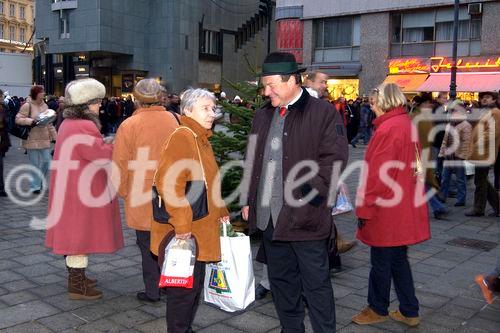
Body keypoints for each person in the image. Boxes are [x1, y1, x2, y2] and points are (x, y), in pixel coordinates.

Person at [242, 52, 348, 332]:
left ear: (292, 80)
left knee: (316, 287)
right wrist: (247, 199)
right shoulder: (263, 114)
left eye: (271, 85)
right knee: (282, 285)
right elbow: (251, 159)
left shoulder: (323, 113)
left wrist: (310, 199)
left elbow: (334, 163)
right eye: (264, 86)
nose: (266, 92)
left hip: (306, 221)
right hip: (269, 221)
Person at [150, 88, 230, 333]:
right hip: (186, 232)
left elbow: (208, 180)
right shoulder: (183, 136)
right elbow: (168, 183)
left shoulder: (200, 138)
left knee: (192, 288)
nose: (212, 113)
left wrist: (221, 210)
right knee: (183, 292)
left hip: (200, 228)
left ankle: (184, 328)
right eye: (205, 108)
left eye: (213, 108)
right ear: (187, 110)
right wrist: (182, 225)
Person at [352, 83, 430, 327]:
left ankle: (377, 307)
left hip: (386, 209)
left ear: (384, 102)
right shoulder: (405, 124)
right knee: (398, 260)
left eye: (373, 101)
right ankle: (409, 309)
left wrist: (365, 208)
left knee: (381, 262)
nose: (370, 105)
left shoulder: (388, 129)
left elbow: (378, 177)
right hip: (402, 204)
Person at [45, 78, 124, 300]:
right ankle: (77, 286)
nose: (100, 105)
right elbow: (99, 155)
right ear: (86, 103)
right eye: (97, 101)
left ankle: (78, 278)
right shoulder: (84, 125)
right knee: (78, 237)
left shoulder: (70, 123)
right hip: (81, 191)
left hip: (72, 187)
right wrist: (116, 145)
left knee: (75, 235)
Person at [112, 79, 179, 303]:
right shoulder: (174, 119)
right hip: (171, 189)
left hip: (141, 192)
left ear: (136, 98)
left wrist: (122, 191)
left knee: (147, 243)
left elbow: (119, 163)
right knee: (169, 240)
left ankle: (152, 290)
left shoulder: (129, 125)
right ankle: (171, 285)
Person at [15, 85, 57, 194]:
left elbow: (49, 123)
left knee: (47, 162)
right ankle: (35, 186)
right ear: (36, 93)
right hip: (31, 138)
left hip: (44, 138)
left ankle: (38, 181)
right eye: (42, 92)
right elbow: (18, 119)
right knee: (34, 164)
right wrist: (30, 121)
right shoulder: (27, 105)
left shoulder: (45, 106)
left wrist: (55, 137)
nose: (43, 94)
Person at [465, 91, 500, 217]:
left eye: (488, 97)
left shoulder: (495, 112)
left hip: (485, 152)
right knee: (482, 180)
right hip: (481, 152)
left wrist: (477, 143)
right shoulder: (485, 112)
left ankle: (478, 209)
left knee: (480, 181)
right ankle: (497, 207)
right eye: (482, 97)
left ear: (494, 99)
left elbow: (492, 132)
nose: (484, 99)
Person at [438, 100, 472, 206]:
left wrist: (462, 156)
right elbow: (445, 140)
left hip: (458, 156)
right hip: (449, 155)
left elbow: (466, 142)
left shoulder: (465, 125)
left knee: (460, 179)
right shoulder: (450, 124)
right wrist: (442, 153)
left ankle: (461, 199)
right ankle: (442, 196)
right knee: (445, 178)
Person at [0, 103, 10, 197]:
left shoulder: (3, 108)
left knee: (0, 165)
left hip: (1, 138)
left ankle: (1, 188)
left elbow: (6, 123)